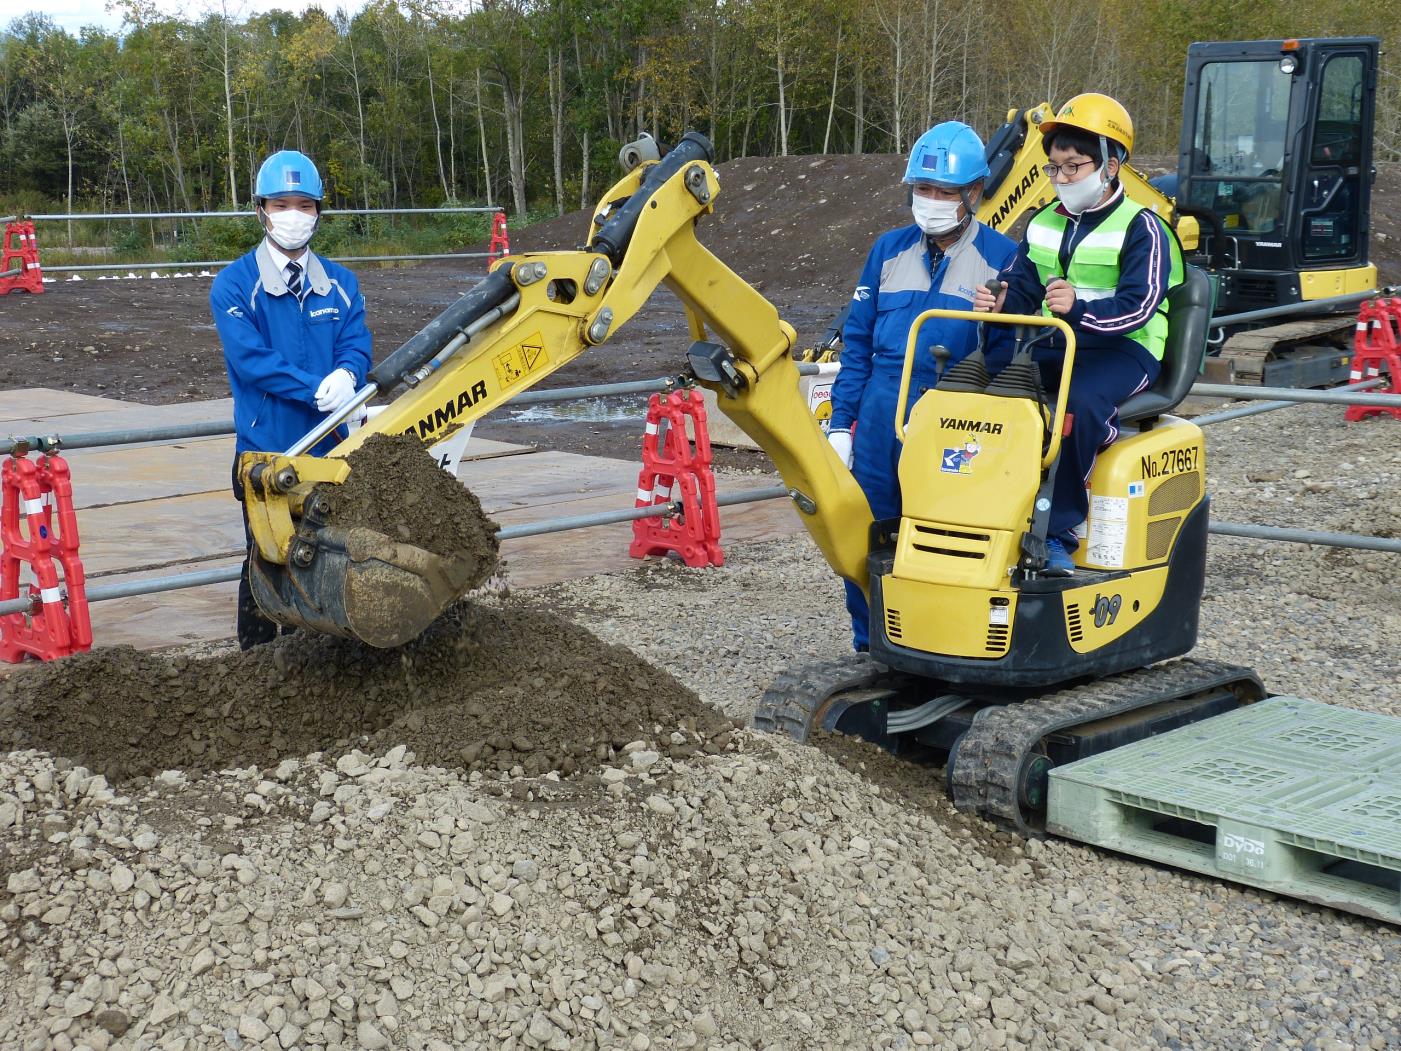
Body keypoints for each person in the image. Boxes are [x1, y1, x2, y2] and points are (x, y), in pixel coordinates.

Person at [974, 93, 1182, 577]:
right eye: (1054, 168)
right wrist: (1001, 302)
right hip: (1061, 340)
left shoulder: (1144, 228)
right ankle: (989, 509)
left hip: (1124, 348)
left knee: (1079, 403)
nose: (1062, 178)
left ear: (1112, 165)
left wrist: (1081, 311)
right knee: (994, 383)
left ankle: (1058, 530)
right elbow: (1022, 284)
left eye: (1073, 167)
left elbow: (1140, 306)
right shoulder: (1043, 221)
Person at [828, 121, 1017, 651]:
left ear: (974, 193)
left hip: (954, 409)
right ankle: (872, 644)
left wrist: (1001, 317)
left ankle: (936, 643)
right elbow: (858, 341)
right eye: (922, 190)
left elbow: (1008, 357)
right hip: (882, 405)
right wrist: (843, 422)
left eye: (943, 192)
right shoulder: (887, 250)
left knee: (941, 536)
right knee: (869, 532)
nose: (929, 201)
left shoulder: (1003, 258)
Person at [210, 150, 373, 649]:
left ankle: (320, 660)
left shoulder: (341, 285)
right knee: (265, 558)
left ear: (319, 211)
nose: (293, 215)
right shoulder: (235, 285)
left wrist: (349, 374)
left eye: (304, 204)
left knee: (330, 558)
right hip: (266, 448)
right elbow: (251, 360)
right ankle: (256, 661)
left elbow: (356, 342)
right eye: (282, 203)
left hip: (332, 453)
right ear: (261, 209)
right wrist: (315, 389)